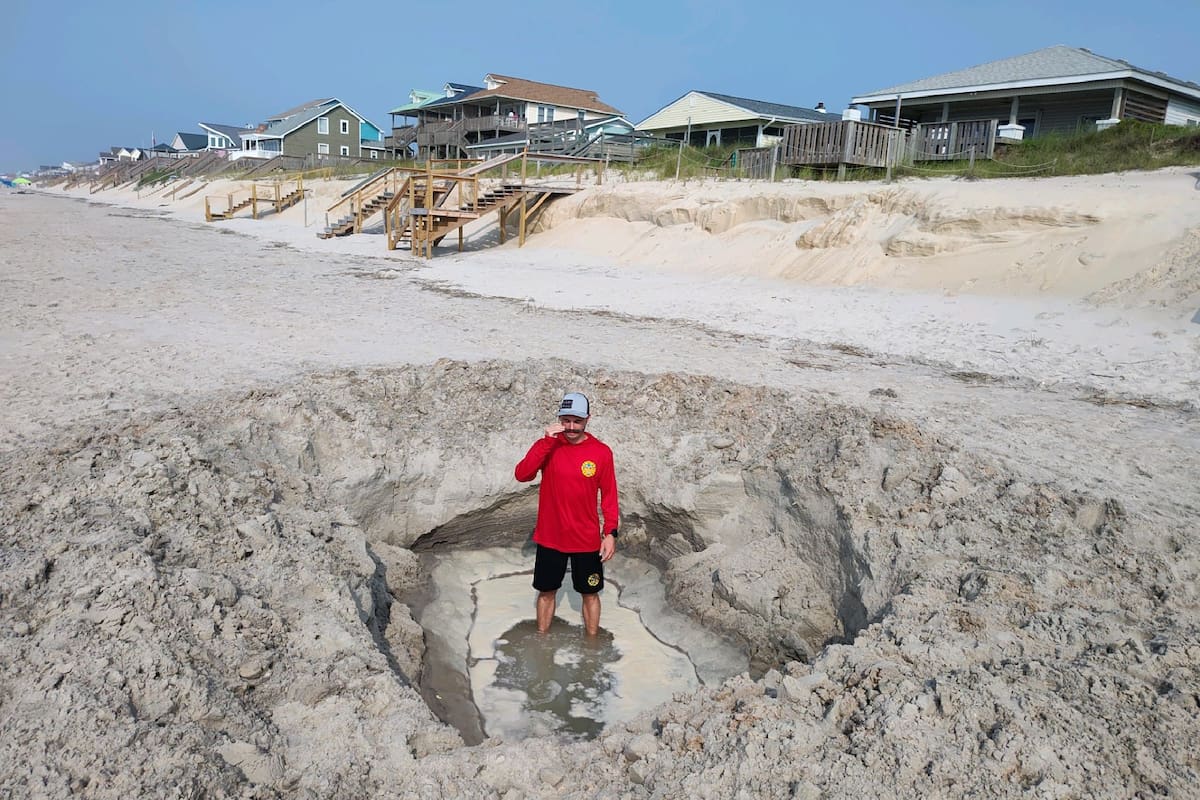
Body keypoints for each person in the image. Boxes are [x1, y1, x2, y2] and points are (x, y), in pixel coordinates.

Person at [514, 392, 620, 636]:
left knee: (590, 594)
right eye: (566, 420)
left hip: (586, 539)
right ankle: (542, 643)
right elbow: (522, 474)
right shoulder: (549, 446)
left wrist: (610, 533)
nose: (571, 427)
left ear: (587, 420)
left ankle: (592, 647)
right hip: (551, 538)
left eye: (577, 421)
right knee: (546, 592)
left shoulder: (601, 452)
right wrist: (546, 443)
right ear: (560, 419)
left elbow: (610, 496)